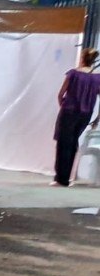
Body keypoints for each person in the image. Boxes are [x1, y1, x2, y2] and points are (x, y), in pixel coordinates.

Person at [53, 48, 100, 186]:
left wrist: (63, 105)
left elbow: (61, 94)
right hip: (85, 114)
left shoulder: (73, 74)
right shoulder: (97, 77)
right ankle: (66, 178)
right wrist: (97, 118)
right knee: (73, 142)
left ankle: (61, 179)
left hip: (69, 111)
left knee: (63, 144)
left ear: (82, 58)